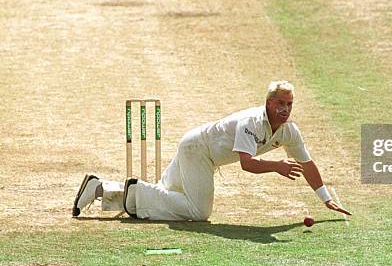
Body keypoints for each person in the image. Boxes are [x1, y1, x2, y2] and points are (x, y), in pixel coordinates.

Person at [73, 81, 351, 220]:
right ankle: (133, 190)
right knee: (198, 213)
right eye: (280, 103)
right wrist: (277, 166)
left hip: (198, 148)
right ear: (268, 103)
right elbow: (247, 163)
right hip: (198, 151)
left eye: (289, 104)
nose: (285, 109)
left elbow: (308, 164)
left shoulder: (289, 130)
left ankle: (100, 189)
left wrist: (325, 198)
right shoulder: (251, 123)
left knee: (169, 197)